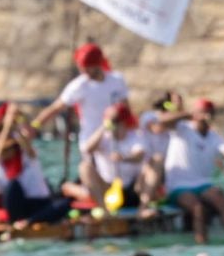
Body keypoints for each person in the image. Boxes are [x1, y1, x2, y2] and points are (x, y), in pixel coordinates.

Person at [34, 42, 129, 188]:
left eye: (87, 67)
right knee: (91, 172)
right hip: (91, 138)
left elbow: (125, 107)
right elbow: (56, 108)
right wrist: (35, 125)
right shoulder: (79, 86)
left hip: (114, 136)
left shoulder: (116, 80)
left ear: (97, 64)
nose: (84, 71)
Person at [161, 98, 224, 243]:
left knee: (221, 200)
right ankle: (202, 245)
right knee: (198, 208)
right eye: (203, 113)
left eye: (209, 113)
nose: (206, 117)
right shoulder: (182, 128)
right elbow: (162, 121)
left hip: (203, 184)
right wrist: (187, 114)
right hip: (178, 186)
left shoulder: (215, 137)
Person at [80, 100, 148, 207]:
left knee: (155, 162)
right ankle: (104, 210)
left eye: (116, 121)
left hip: (131, 186)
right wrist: (103, 127)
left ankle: (143, 207)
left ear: (124, 121)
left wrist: (124, 158)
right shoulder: (104, 137)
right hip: (107, 186)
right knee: (85, 167)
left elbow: (139, 155)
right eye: (110, 121)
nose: (113, 124)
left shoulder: (136, 136)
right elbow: (87, 149)